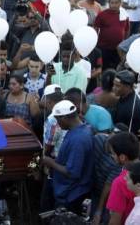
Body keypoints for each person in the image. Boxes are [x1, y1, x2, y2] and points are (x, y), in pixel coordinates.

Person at [42, 100, 94, 214]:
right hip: (71, 191)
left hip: (72, 195)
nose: (57, 123)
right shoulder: (81, 128)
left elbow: (72, 172)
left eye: (57, 119)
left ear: (64, 118)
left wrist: (51, 163)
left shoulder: (78, 140)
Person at [39, 84, 66, 212]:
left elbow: (49, 144)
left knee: (48, 198)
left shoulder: (52, 118)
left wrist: (44, 160)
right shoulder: (67, 111)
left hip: (54, 161)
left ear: (48, 101)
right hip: (66, 159)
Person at [106, 132, 140, 225]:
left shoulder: (120, 182)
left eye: (112, 153)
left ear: (122, 157)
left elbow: (115, 221)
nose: (112, 156)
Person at [95, 0, 130, 70]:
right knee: (104, 67)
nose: (114, 5)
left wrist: (125, 43)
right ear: (109, 3)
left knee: (116, 67)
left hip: (118, 49)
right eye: (112, 3)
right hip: (104, 47)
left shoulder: (124, 15)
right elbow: (96, 28)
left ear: (120, 3)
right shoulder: (102, 14)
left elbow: (127, 29)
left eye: (116, 3)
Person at [112, 70, 140, 134]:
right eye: (114, 85)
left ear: (127, 87)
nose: (113, 88)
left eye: (117, 86)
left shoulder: (131, 108)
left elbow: (128, 137)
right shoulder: (124, 95)